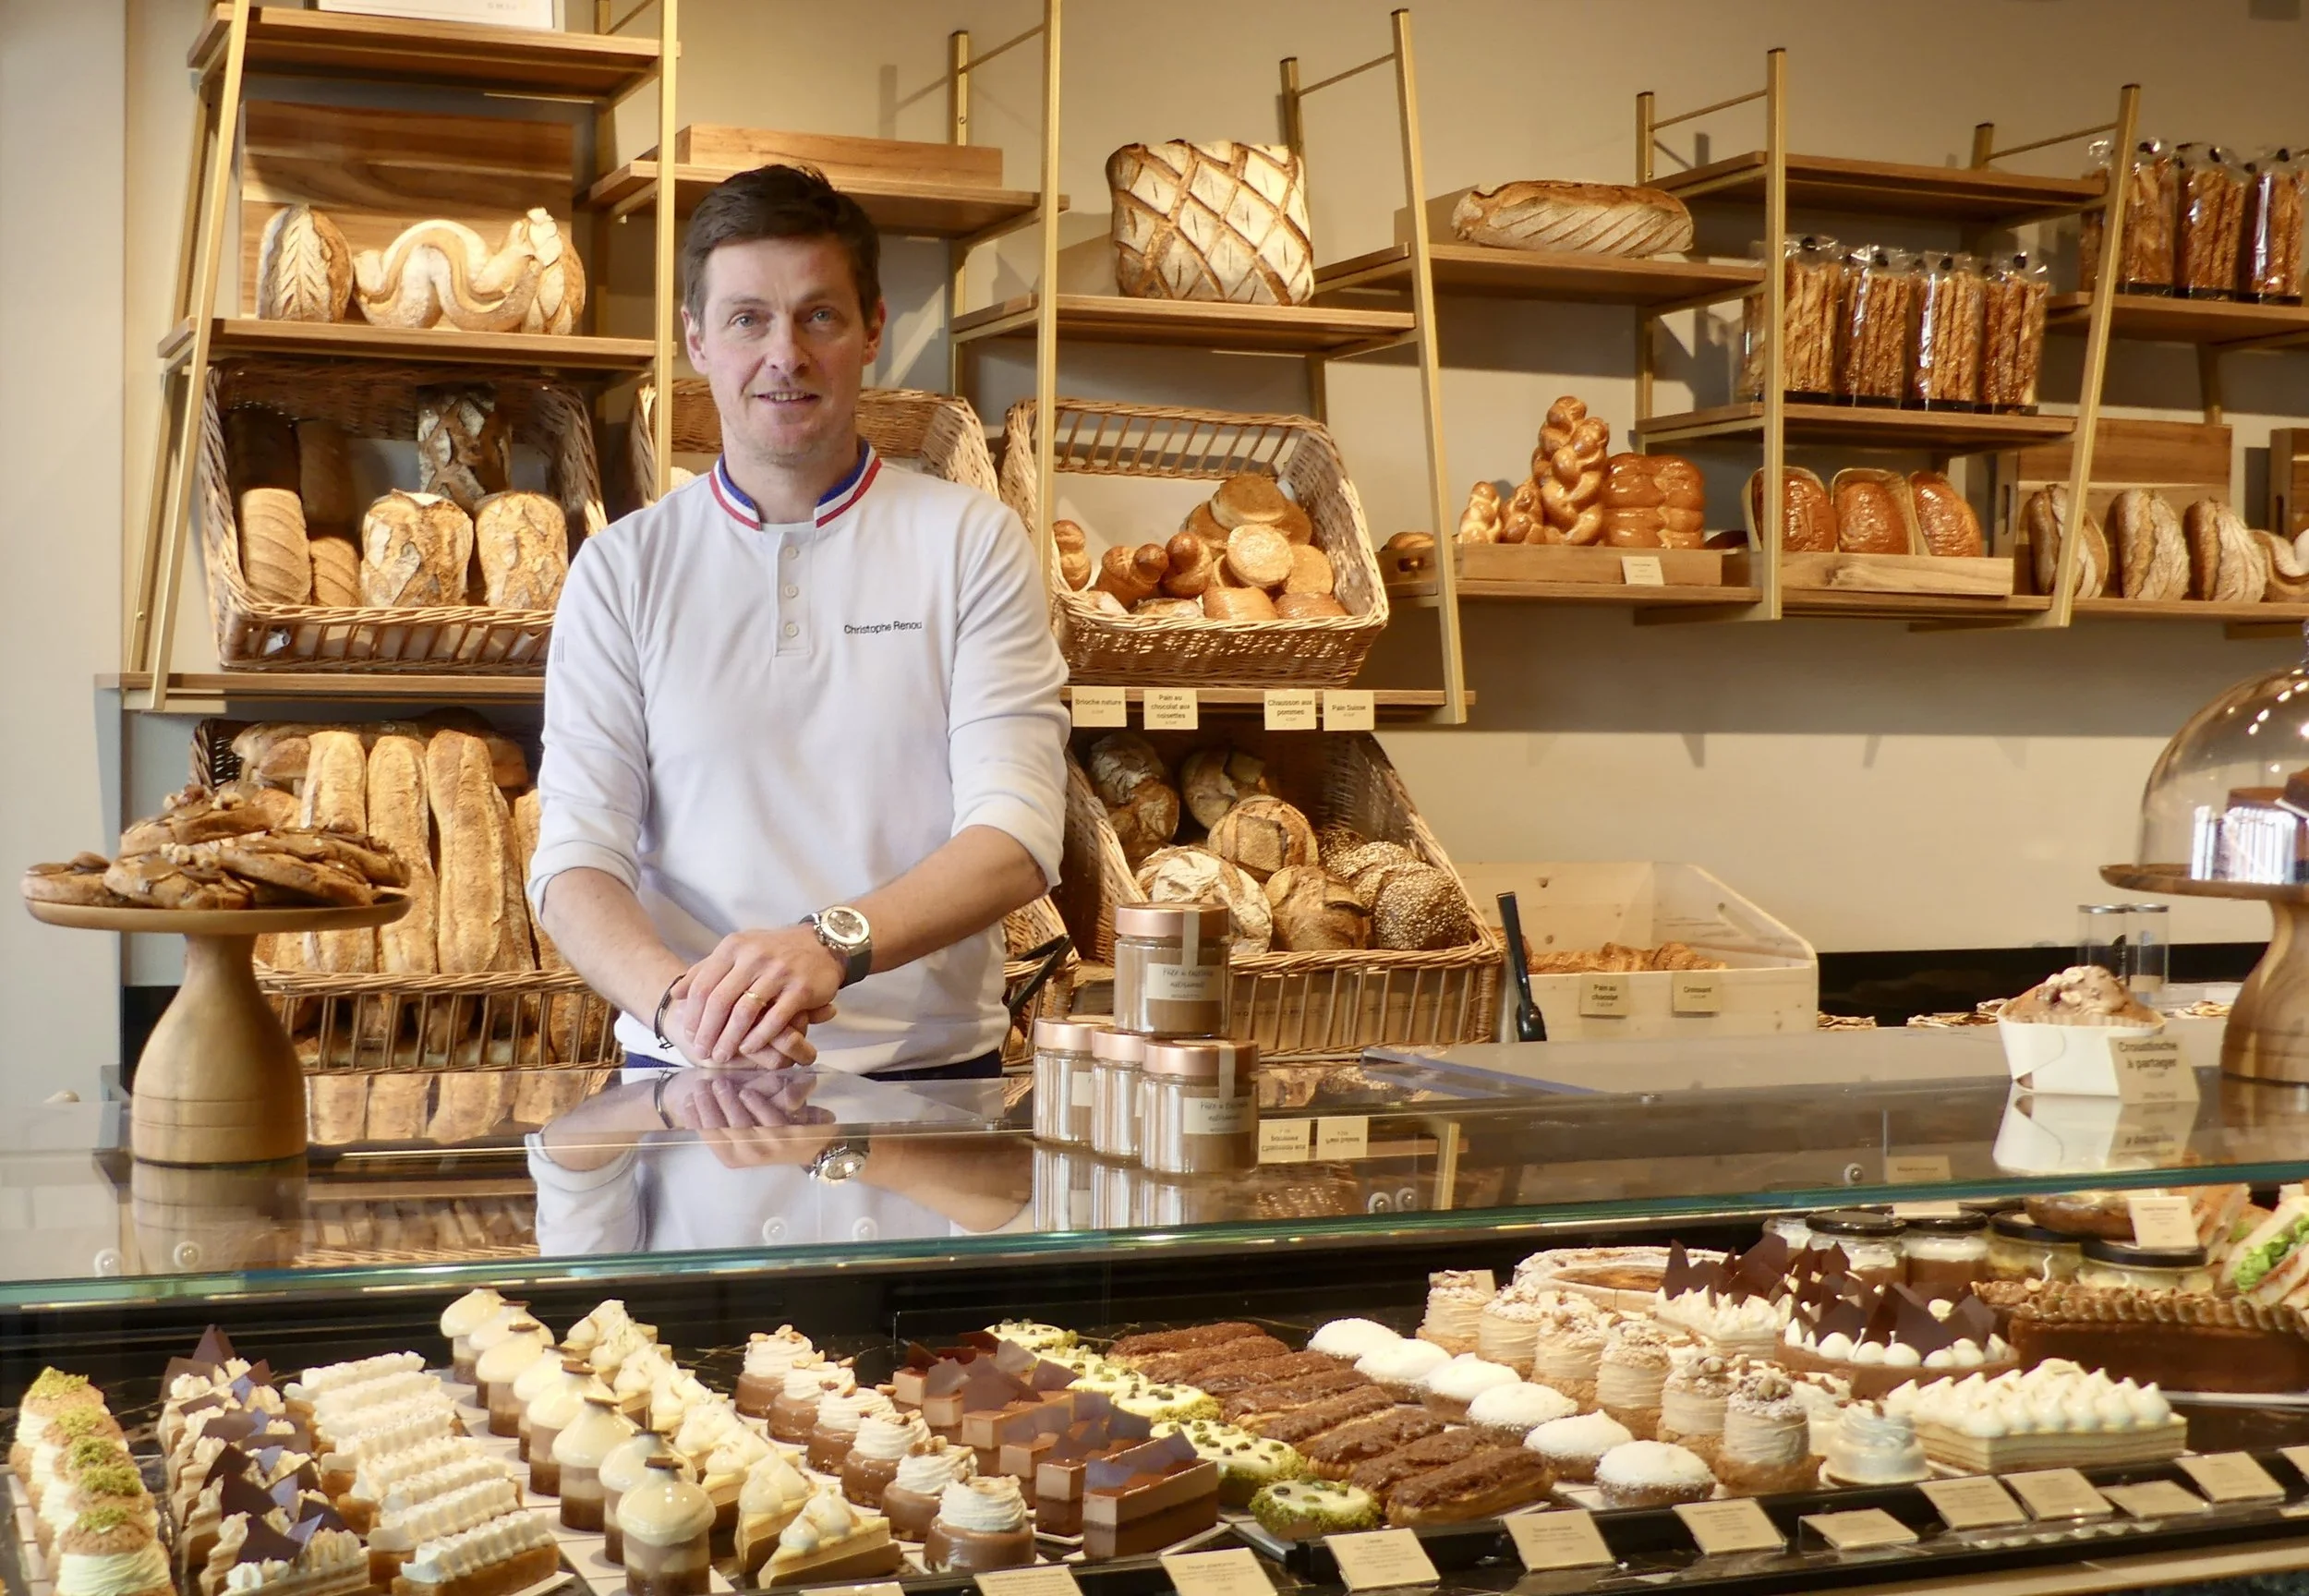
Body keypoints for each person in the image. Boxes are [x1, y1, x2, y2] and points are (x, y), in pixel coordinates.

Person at [527, 163, 1069, 1106]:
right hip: (688, 1079)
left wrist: (831, 945)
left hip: (931, 1090)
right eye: (747, 319)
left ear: (870, 334)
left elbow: (1017, 832)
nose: (785, 353)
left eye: (818, 315)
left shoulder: (968, 540)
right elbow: (575, 857)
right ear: (697, 340)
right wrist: (685, 1007)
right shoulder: (622, 569)